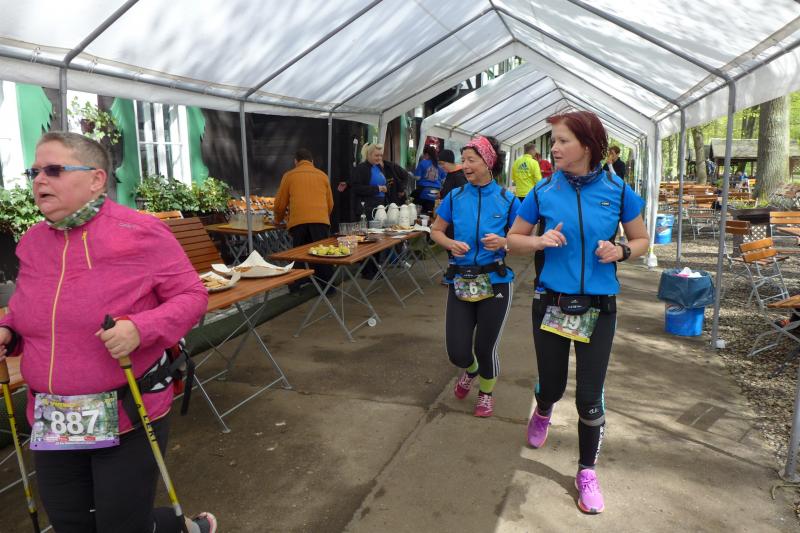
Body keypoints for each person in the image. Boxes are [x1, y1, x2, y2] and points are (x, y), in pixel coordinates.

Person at [0, 132, 215, 532]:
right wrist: (8, 331)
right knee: (70, 524)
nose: (39, 180)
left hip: (127, 411)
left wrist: (141, 328)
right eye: (34, 171)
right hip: (54, 417)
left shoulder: (140, 231)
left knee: (121, 525)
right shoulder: (31, 242)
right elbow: (28, 310)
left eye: (54, 169)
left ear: (96, 179)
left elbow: (192, 295)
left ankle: (182, 527)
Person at [507, 111, 648, 515]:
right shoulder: (543, 190)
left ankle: (586, 471)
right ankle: (544, 408)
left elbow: (641, 240)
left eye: (562, 140)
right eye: (553, 140)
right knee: (552, 386)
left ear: (587, 145)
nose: (554, 147)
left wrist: (620, 250)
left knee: (589, 398)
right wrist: (538, 242)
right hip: (551, 302)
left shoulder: (619, 191)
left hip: (599, 308)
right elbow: (513, 239)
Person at [430, 135, 519, 418]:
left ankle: (486, 394)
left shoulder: (507, 200)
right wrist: (450, 243)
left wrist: (504, 242)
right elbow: (436, 231)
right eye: (463, 160)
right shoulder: (455, 197)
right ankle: (471, 371)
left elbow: (524, 240)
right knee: (457, 351)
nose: (465, 166)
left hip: (496, 282)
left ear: (488, 162)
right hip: (461, 280)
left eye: (471, 160)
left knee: (485, 346)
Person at [274, 148, 335, 291]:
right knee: (322, 255)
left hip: (299, 223)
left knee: (299, 255)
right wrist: (323, 217)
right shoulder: (323, 175)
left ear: (296, 161)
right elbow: (330, 203)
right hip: (320, 222)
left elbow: (280, 204)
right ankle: (327, 287)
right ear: (312, 161)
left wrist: (278, 219)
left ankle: (297, 286)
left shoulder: (289, 176)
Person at [413, 145, 446, 214]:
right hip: (436, 193)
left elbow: (417, 178)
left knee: (414, 207)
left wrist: (411, 175)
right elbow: (444, 180)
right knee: (432, 212)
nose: (424, 157)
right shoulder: (440, 165)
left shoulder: (423, 162)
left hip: (423, 191)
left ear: (427, 154)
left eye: (424, 155)